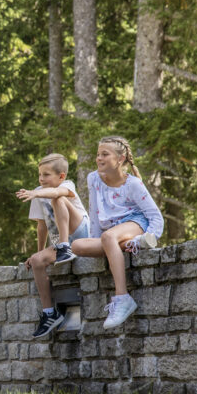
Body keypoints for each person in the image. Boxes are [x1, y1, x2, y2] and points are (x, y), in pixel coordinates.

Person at [71, 136, 163, 330]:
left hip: (135, 222)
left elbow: (155, 216)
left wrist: (153, 234)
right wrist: (95, 239)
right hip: (112, 231)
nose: (99, 158)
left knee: (108, 237)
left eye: (105, 154)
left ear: (120, 159)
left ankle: (122, 298)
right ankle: (134, 244)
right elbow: (94, 212)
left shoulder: (133, 184)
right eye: (98, 154)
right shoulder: (94, 178)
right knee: (77, 245)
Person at [15, 153, 90, 338]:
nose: (41, 179)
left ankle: (64, 245)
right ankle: (50, 313)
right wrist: (39, 252)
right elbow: (42, 226)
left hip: (80, 233)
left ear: (61, 176)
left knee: (58, 199)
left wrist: (35, 193)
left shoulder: (67, 186)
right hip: (61, 243)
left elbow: (57, 194)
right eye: (40, 174)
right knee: (37, 261)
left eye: (46, 175)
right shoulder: (38, 193)